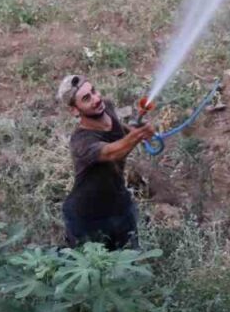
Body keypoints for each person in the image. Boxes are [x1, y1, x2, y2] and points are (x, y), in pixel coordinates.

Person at [57, 73, 157, 250]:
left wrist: (132, 130)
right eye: (86, 99)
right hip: (87, 218)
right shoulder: (81, 141)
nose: (96, 99)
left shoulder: (106, 107)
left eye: (94, 91)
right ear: (75, 110)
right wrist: (139, 135)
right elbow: (112, 153)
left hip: (118, 203)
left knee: (133, 254)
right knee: (93, 264)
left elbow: (117, 126)